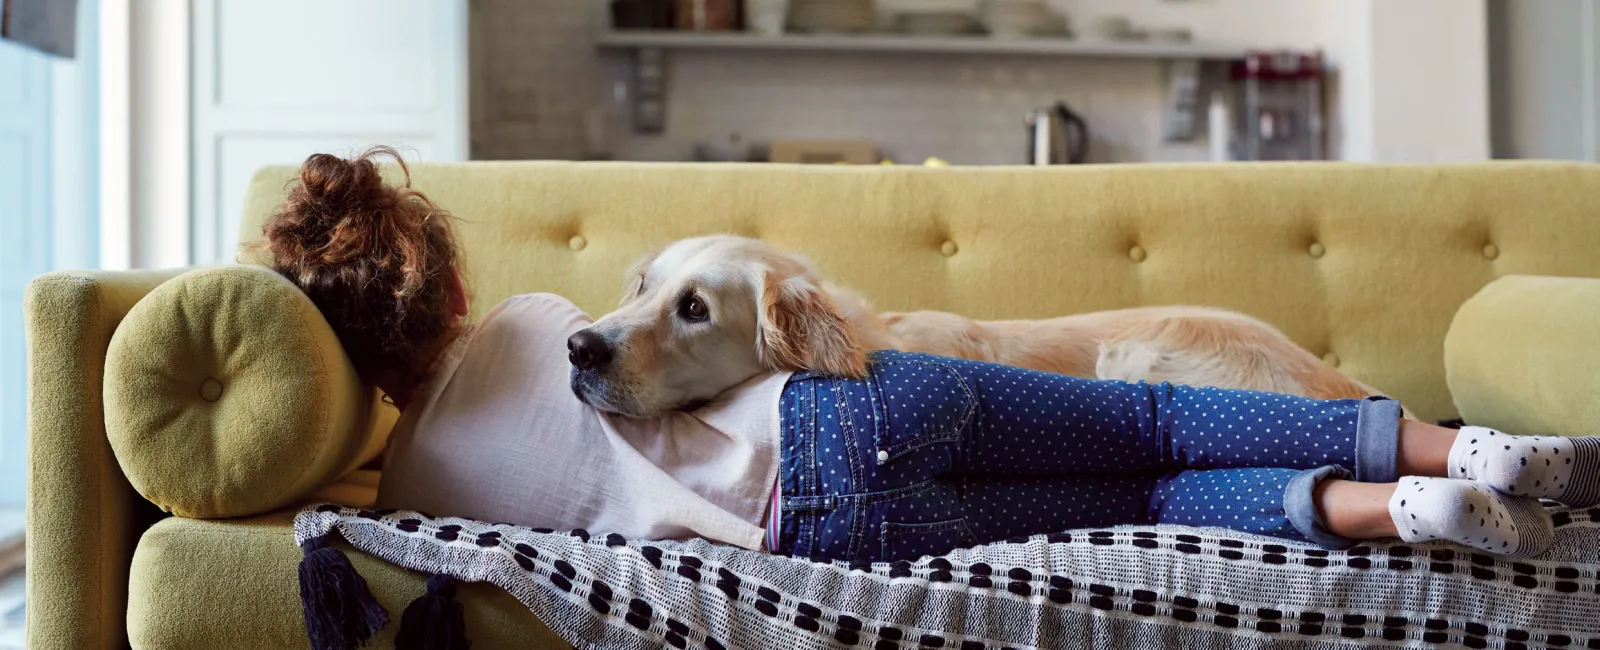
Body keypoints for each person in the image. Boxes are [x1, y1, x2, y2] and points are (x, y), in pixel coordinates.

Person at [259, 148, 1596, 564]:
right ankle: (1443, 449)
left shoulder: (417, 488)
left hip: (836, 538)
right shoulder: (549, 328)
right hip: (873, 408)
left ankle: (1403, 511)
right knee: (1163, 428)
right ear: (446, 270)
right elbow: (801, 352)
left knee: (1152, 503)